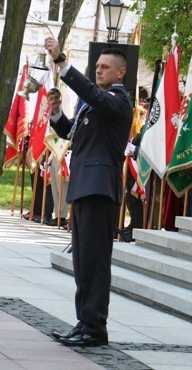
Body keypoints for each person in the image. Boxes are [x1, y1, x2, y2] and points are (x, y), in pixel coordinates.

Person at [45, 36, 133, 347]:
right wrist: (56, 112)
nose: (98, 71)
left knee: (95, 262)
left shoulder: (119, 102)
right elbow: (72, 134)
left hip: (99, 189)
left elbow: (92, 94)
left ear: (120, 73)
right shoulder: (95, 106)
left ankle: (96, 327)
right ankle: (84, 322)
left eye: (105, 67)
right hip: (84, 187)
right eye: (96, 67)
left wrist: (62, 63)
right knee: (82, 262)